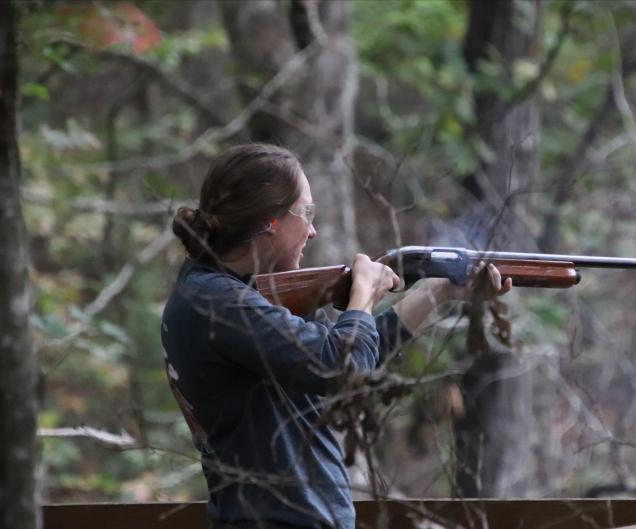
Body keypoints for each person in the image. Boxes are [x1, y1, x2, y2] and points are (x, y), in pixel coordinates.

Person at [161, 143, 511, 529]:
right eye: (306, 212)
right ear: (271, 222)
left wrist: (438, 292)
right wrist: (362, 294)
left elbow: (352, 354)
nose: (312, 230)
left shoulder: (220, 293)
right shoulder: (218, 303)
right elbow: (342, 367)